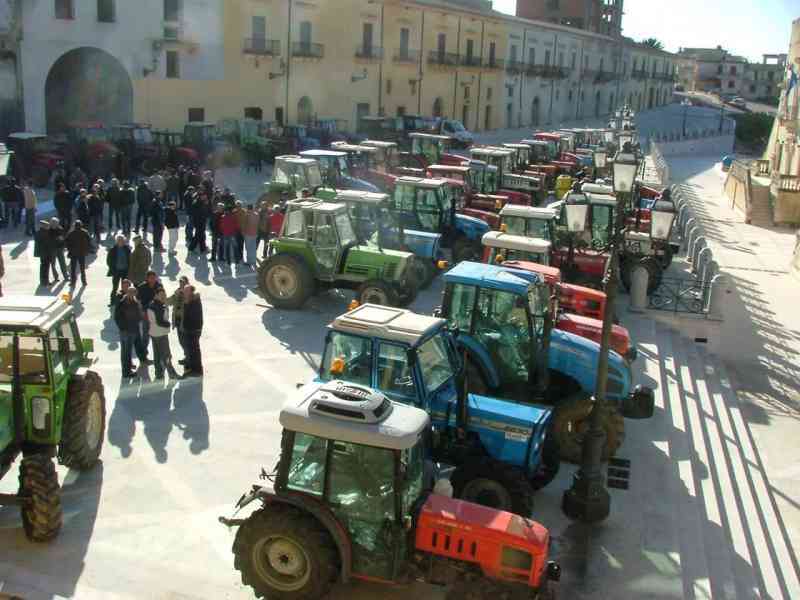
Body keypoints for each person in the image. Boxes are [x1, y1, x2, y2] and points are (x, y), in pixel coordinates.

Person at [114, 283, 147, 378]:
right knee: (126, 353)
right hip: (126, 331)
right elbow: (117, 317)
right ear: (127, 293)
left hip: (133, 330)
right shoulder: (122, 303)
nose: (132, 294)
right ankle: (126, 372)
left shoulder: (135, 303)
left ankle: (127, 371)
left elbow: (139, 317)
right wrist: (123, 328)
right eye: (130, 292)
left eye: (133, 293)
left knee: (127, 352)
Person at [147, 288, 180, 381]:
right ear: (156, 295)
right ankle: (171, 373)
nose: (163, 296)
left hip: (155, 333)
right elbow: (159, 321)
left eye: (164, 295)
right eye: (161, 295)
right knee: (166, 355)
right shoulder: (157, 306)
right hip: (160, 333)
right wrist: (168, 324)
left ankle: (159, 373)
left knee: (157, 354)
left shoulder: (155, 304)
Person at [136, 271, 161, 357]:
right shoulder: (141, 287)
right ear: (147, 278)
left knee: (157, 336)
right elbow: (138, 301)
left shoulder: (159, 286)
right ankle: (143, 355)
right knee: (145, 336)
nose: (153, 279)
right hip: (146, 314)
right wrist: (141, 311)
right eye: (151, 278)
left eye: (154, 277)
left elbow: (162, 298)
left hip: (156, 314)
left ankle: (158, 356)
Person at [181, 285, 203, 378]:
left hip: (193, 329)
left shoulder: (194, 301)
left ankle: (197, 369)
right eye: (184, 291)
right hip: (189, 329)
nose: (184, 293)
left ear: (191, 292)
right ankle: (192, 368)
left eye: (186, 291)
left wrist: (186, 303)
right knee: (191, 350)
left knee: (194, 350)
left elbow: (191, 315)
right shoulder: (190, 300)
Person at [167, 276, 189, 364]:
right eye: (180, 282)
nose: (181, 284)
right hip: (178, 320)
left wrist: (184, 294)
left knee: (186, 341)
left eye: (183, 282)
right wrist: (176, 294)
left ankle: (189, 358)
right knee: (181, 341)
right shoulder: (177, 292)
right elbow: (168, 302)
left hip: (186, 321)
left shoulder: (189, 293)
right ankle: (187, 356)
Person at [107, 234, 132, 306]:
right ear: (117, 241)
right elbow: (109, 260)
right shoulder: (113, 249)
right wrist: (112, 268)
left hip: (125, 271)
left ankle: (126, 300)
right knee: (115, 287)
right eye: (119, 240)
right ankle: (113, 301)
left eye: (122, 240)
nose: (120, 242)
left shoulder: (127, 249)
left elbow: (130, 259)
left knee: (126, 287)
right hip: (116, 271)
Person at [65, 219, 91, 287]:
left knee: (73, 269)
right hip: (81, 253)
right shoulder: (85, 232)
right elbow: (89, 241)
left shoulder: (71, 233)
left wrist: (69, 250)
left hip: (73, 253)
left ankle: (73, 282)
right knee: (82, 268)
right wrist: (86, 250)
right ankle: (84, 281)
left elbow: (67, 242)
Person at [34, 220, 53, 286]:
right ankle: (45, 281)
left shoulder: (38, 233)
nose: (48, 227)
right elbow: (48, 244)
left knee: (43, 267)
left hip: (41, 253)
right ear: (44, 226)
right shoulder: (46, 233)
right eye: (47, 226)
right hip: (46, 253)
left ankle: (43, 281)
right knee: (46, 268)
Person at [49, 217, 68, 282]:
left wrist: (64, 246)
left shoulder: (60, 229)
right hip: (52, 249)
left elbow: (63, 238)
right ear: (51, 223)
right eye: (53, 223)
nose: (54, 224)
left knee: (62, 263)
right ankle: (56, 277)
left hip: (60, 248)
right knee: (53, 264)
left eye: (56, 223)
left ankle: (66, 276)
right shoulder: (48, 230)